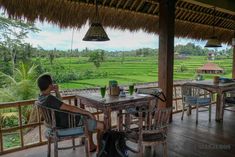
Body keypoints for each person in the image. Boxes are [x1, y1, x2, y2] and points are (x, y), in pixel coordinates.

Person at [37, 74, 104, 152]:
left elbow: (59, 103)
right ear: (50, 85)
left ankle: (91, 145)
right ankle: (101, 151)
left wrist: (57, 91)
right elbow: (70, 108)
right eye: (52, 83)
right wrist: (88, 112)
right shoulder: (50, 98)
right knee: (102, 125)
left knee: (86, 118)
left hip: (56, 125)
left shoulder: (41, 98)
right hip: (69, 125)